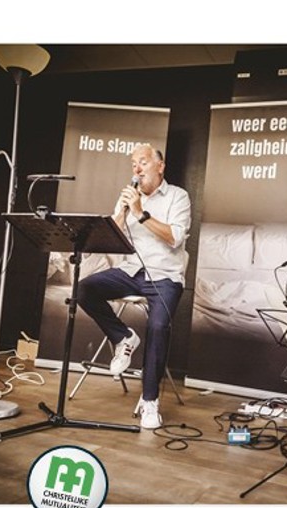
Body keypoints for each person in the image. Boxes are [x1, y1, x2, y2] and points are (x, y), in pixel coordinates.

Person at [77, 144, 191, 429]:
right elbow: (110, 239)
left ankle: (150, 401)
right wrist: (122, 212)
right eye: (133, 164)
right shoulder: (128, 197)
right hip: (131, 272)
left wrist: (140, 213)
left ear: (160, 166)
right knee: (84, 289)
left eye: (143, 162)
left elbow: (175, 238)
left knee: (157, 326)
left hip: (165, 276)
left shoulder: (178, 196)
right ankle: (124, 337)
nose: (137, 169)